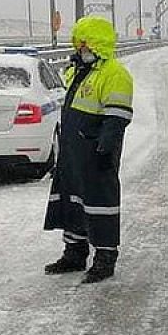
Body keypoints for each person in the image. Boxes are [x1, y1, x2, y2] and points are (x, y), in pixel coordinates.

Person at [43, 16, 134, 283]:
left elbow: (117, 118)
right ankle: (74, 253)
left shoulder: (114, 74)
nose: (79, 50)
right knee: (71, 202)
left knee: (100, 205)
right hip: (72, 153)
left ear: (97, 46)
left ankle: (105, 258)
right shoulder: (78, 72)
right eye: (78, 45)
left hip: (95, 154)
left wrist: (104, 149)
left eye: (84, 46)